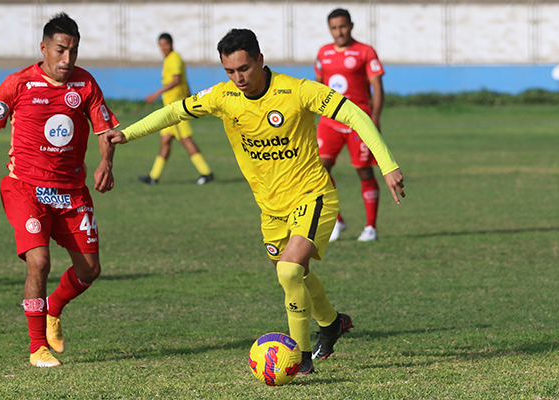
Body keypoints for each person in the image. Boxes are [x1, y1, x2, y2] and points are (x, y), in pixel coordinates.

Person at [104, 29, 405, 375]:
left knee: (290, 270)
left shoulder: (297, 91)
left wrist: (388, 164)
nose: (238, 78)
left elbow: (353, 113)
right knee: (296, 273)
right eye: (230, 71)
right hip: (270, 208)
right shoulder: (222, 96)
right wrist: (127, 133)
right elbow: (174, 111)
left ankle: (301, 358)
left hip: (312, 195)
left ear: (261, 60)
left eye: (244, 68)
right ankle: (332, 323)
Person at [0, 13, 119, 368]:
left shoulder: (85, 85)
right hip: (25, 188)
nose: (67, 60)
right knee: (39, 262)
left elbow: (104, 130)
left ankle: (54, 307)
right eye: (60, 50)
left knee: (89, 271)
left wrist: (106, 163)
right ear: (44, 49)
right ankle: (37, 347)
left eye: (73, 51)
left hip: (71, 192)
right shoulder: (18, 83)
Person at [315, 8, 386, 242]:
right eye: (334, 28)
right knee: (318, 170)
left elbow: (377, 87)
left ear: (351, 26)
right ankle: (337, 220)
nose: (339, 32)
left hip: (358, 122)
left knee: (364, 171)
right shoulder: (323, 53)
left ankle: (370, 227)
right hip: (329, 122)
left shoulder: (365, 51)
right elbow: (317, 88)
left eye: (343, 26)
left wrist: (374, 120)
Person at [139, 33, 214, 185]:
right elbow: (184, 82)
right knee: (165, 141)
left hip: (176, 110)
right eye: (160, 45)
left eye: (165, 44)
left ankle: (206, 172)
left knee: (186, 140)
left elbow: (177, 80)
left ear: (171, 44)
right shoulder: (169, 59)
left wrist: (156, 94)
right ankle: (154, 177)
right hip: (170, 109)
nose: (163, 47)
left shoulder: (174, 58)